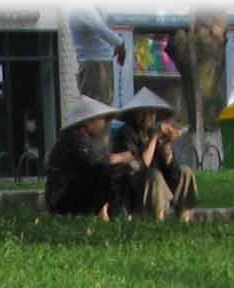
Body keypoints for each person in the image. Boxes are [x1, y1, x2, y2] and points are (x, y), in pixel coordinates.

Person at [116, 87, 198, 221]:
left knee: (185, 172)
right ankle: (158, 220)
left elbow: (172, 171)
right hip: (135, 187)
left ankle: (184, 217)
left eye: (152, 113)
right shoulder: (126, 133)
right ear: (137, 114)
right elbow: (139, 165)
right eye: (146, 113)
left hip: (160, 184)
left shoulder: (152, 132)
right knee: (154, 174)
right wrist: (154, 138)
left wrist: (166, 146)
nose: (150, 117)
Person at [45, 96, 133, 219]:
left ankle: (118, 212)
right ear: (88, 122)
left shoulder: (89, 138)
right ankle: (104, 214)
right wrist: (120, 157)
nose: (106, 123)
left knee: (120, 170)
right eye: (103, 119)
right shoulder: (74, 137)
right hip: (61, 198)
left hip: (74, 193)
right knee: (104, 171)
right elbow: (93, 162)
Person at [68, 6, 127, 105]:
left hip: (96, 64)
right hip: (96, 66)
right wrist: (120, 43)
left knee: (98, 108)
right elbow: (100, 28)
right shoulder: (83, 8)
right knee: (98, 109)